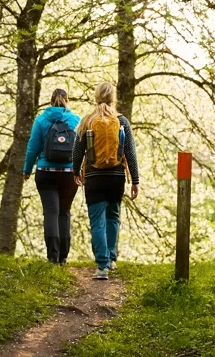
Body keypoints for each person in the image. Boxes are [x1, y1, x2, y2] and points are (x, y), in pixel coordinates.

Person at [73, 82, 140, 280]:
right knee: (113, 216)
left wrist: (75, 171)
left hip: (94, 178)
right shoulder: (122, 121)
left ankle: (102, 266)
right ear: (113, 98)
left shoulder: (87, 120)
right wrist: (134, 180)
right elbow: (130, 152)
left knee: (97, 221)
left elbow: (77, 151)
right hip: (116, 177)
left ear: (96, 97)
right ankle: (111, 259)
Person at [23, 89, 81, 265]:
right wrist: (80, 171)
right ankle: (63, 256)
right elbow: (81, 148)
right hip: (69, 174)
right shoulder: (76, 120)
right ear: (67, 101)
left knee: (50, 212)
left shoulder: (41, 120)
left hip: (45, 172)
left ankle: (52, 256)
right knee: (64, 212)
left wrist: (27, 169)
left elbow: (32, 147)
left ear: (50, 102)